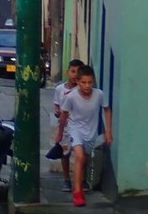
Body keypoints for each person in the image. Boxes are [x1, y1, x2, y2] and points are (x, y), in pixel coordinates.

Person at [55, 65, 113, 208]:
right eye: (83, 82)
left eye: (90, 82)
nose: (87, 86)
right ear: (78, 82)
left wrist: (108, 131)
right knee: (79, 156)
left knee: (84, 158)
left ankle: (81, 182)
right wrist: (60, 133)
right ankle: (77, 192)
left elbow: (107, 110)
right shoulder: (71, 97)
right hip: (75, 129)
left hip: (91, 132)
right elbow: (64, 115)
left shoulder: (99, 94)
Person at [53, 58, 85, 192]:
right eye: (73, 71)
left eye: (78, 72)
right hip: (64, 127)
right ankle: (67, 180)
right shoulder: (60, 89)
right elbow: (56, 105)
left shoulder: (82, 89)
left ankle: (81, 181)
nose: (75, 75)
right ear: (68, 72)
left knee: (81, 154)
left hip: (79, 126)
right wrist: (57, 113)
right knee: (64, 153)